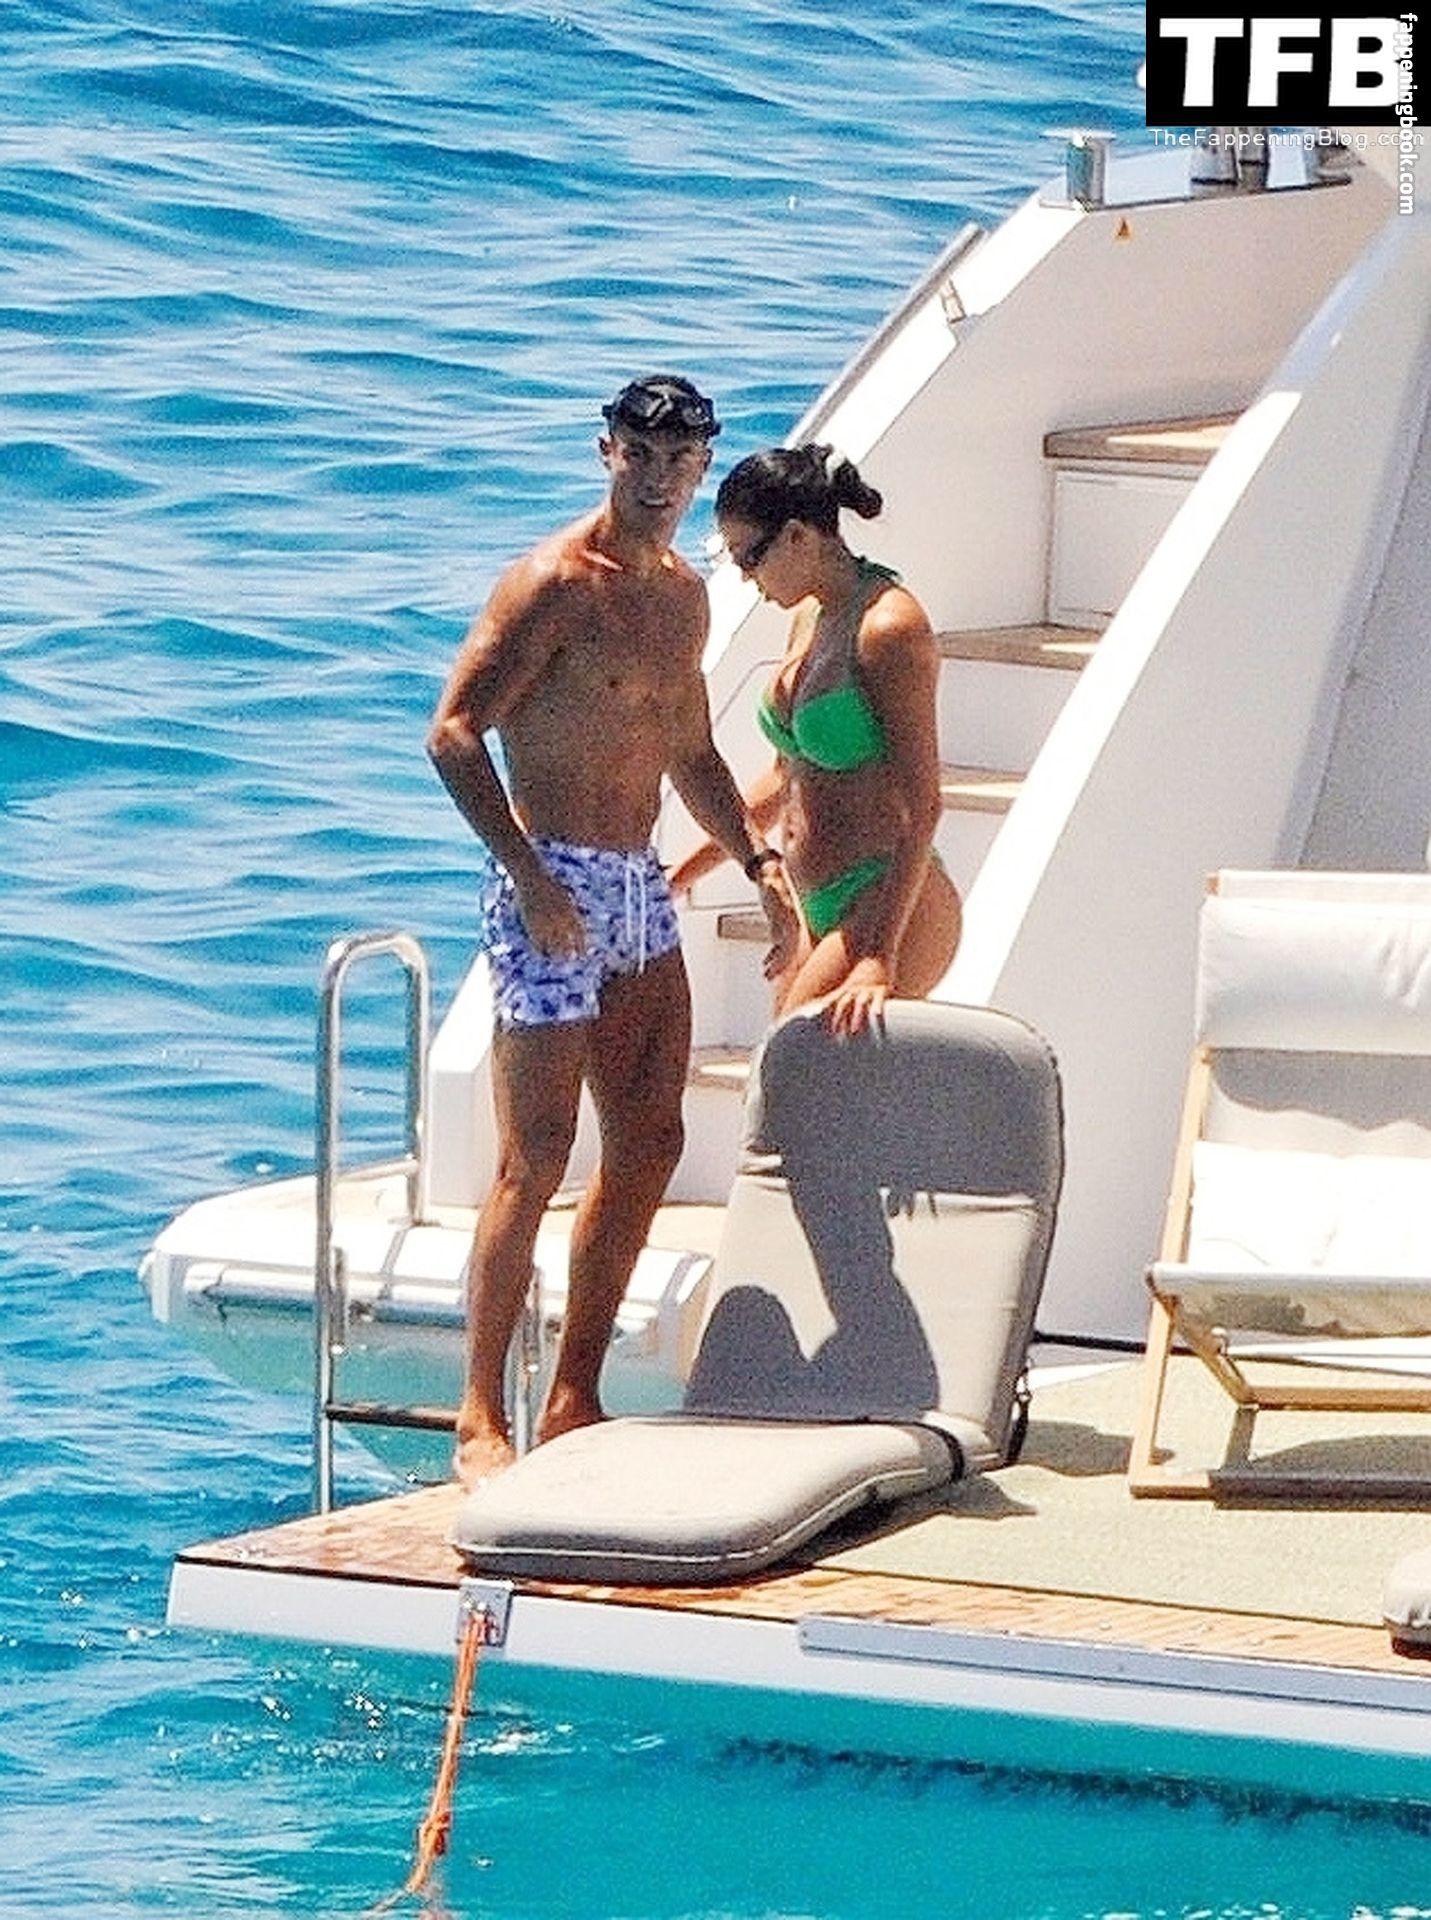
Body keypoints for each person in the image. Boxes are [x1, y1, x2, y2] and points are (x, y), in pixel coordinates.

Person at [428, 375, 797, 1490]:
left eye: (680, 462)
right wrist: (530, 878)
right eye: (640, 454)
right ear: (607, 454)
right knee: (536, 1156)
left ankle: (575, 1392)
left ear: (702, 468)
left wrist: (756, 860)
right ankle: (478, 1415)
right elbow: (454, 735)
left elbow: (691, 750)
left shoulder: (684, 596)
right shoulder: (553, 585)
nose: (658, 479)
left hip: (636, 886)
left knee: (649, 1143)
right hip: (550, 881)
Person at [670, 442, 960, 1036]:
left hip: (887, 900)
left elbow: (923, 806)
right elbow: (786, 779)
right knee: (789, 1079)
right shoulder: (811, 615)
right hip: (818, 904)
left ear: (798, 536)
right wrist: (678, 876)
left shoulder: (888, 629)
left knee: (789, 1069)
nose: (745, 576)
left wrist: (878, 955)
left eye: (750, 556)